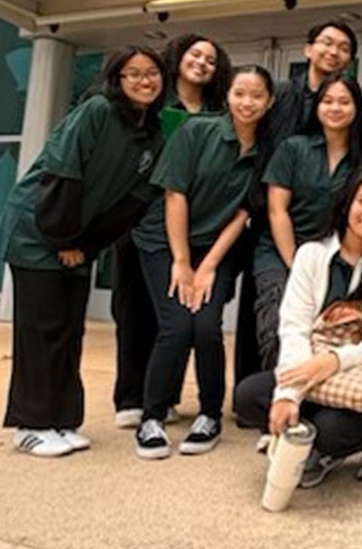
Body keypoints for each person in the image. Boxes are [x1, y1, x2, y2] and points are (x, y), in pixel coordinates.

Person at [0, 46, 167, 457]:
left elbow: (133, 202)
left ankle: (61, 419)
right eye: (133, 73)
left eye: (152, 73)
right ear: (116, 79)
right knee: (42, 331)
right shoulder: (97, 111)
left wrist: (86, 245)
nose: (144, 80)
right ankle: (30, 426)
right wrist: (65, 241)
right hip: (39, 231)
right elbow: (62, 172)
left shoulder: (153, 132)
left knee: (70, 329)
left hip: (77, 240)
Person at [234, 165, 362, 489]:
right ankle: (316, 440)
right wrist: (288, 396)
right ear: (346, 203)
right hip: (316, 373)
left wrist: (333, 361)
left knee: (331, 431)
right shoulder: (312, 255)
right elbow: (294, 328)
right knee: (248, 397)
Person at [132, 66, 274, 459]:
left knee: (207, 327)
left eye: (257, 95)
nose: (247, 103)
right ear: (227, 96)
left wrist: (208, 265)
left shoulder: (267, 150)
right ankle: (152, 417)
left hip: (216, 246)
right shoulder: (197, 131)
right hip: (165, 241)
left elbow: (243, 213)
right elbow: (174, 194)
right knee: (177, 327)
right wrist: (182, 261)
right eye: (240, 93)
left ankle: (210, 414)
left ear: (270, 102)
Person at [112, 33, 231, 430]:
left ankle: (164, 397)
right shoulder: (154, 103)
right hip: (141, 217)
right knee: (134, 311)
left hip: (191, 225)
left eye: (210, 60)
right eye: (195, 54)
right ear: (178, 57)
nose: (202, 63)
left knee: (176, 315)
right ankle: (131, 397)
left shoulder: (218, 112)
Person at [254, 73, 362, 371]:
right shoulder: (293, 148)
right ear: (317, 107)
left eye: (344, 102)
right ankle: (279, 390)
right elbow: (277, 210)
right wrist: (295, 264)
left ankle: (312, 390)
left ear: (357, 108)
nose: (335, 108)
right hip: (281, 251)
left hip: (332, 257)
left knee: (326, 330)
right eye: (327, 101)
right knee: (278, 322)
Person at [267, 20, 358, 147]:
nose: (334, 52)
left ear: (350, 62)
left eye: (344, 49)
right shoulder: (279, 93)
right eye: (327, 43)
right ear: (308, 50)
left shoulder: (350, 103)